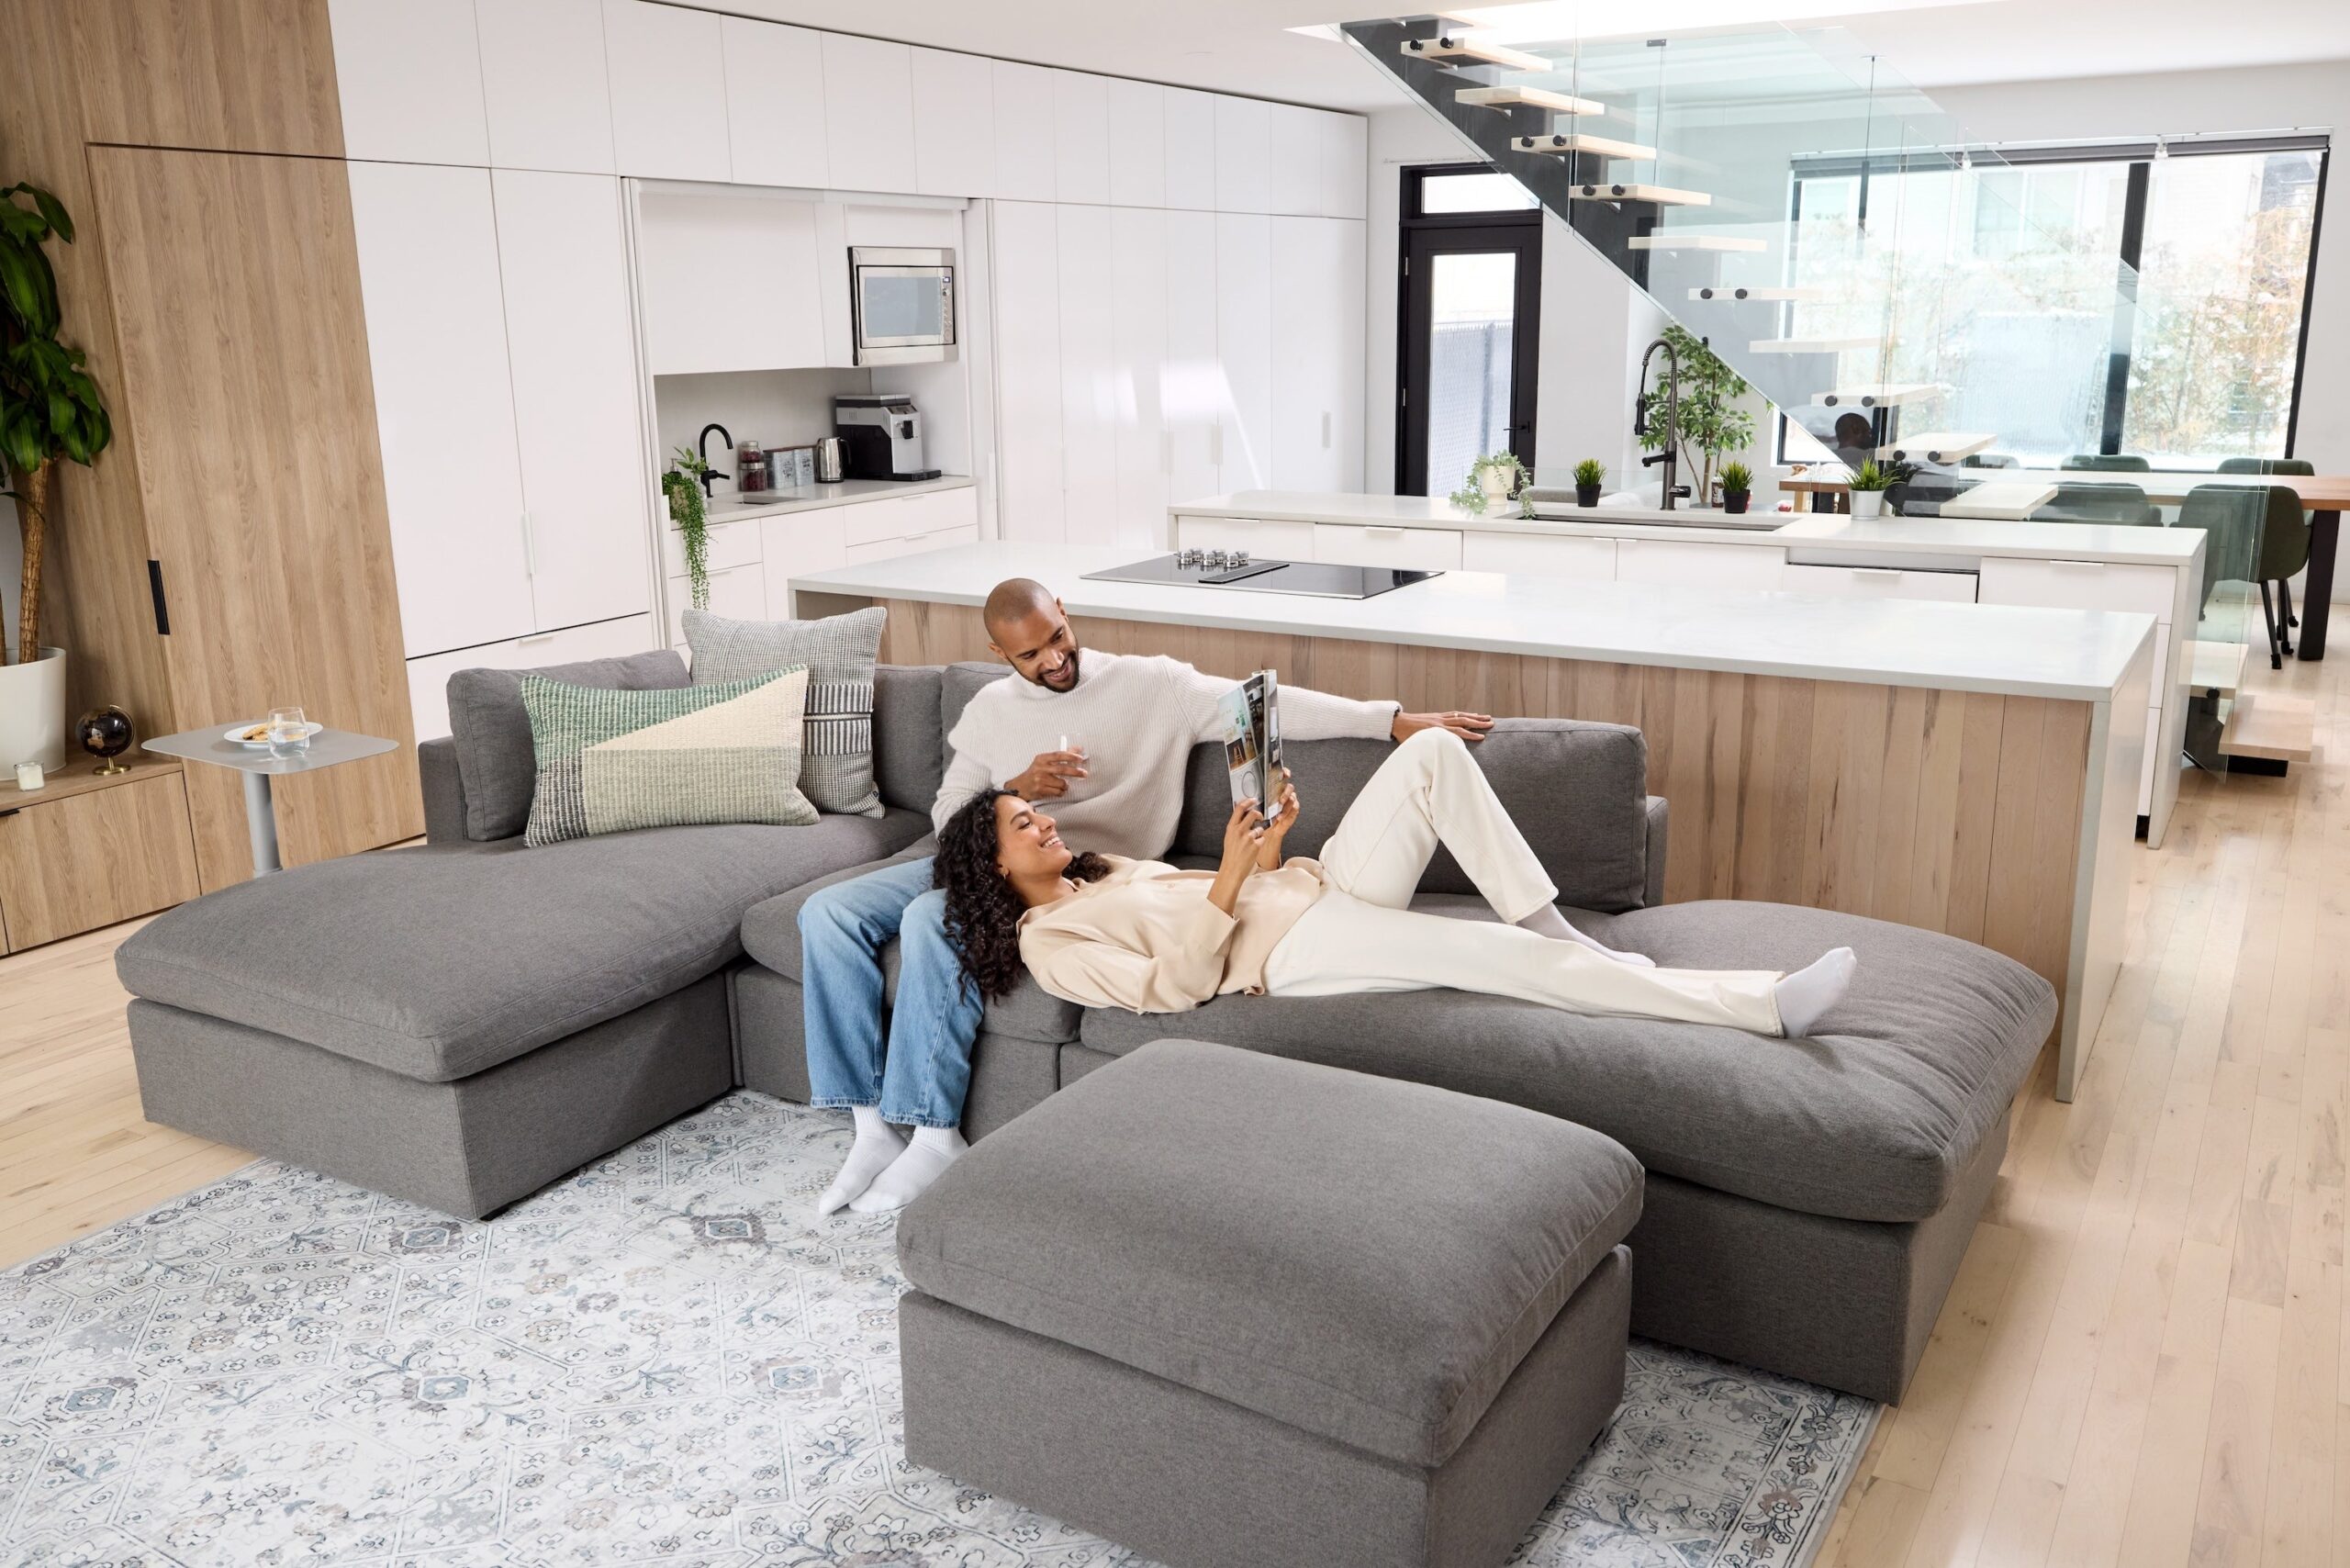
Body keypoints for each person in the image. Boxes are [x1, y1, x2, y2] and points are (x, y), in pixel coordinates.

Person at [801, 577, 1497, 1217]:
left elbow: (1261, 703)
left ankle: (931, 1129)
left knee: (929, 916)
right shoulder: (990, 708)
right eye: (1030, 655)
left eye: (1056, 640)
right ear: (998, 652)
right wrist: (1019, 786)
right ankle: (868, 1125)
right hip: (987, 855)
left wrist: (1392, 719)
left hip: (1069, 876)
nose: (1052, 661)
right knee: (824, 913)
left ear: (1066, 615)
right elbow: (948, 816)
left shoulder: (1153, 686)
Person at [936, 726, 1857, 1037]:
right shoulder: (1050, 941)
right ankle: (1761, 1005)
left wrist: (1268, 842)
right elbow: (1171, 985)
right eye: (1024, 822)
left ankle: (1554, 926)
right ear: (994, 864)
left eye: (1035, 809)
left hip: (1317, 888)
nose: (1044, 819)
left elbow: (1239, 891)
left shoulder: (1110, 869)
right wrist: (1227, 874)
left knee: (1428, 752)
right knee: (1492, 958)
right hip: (1299, 951)